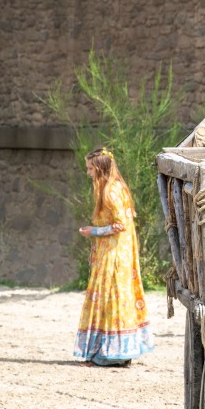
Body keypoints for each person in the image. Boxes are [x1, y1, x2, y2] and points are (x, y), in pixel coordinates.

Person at [74, 147, 154, 367]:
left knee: (111, 297)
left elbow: (121, 225)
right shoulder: (115, 188)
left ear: (100, 169)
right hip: (115, 251)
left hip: (114, 254)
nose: (88, 172)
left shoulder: (110, 191)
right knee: (116, 297)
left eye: (91, 168)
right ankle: (116, 352)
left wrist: (94, 231)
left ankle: (113, 354)